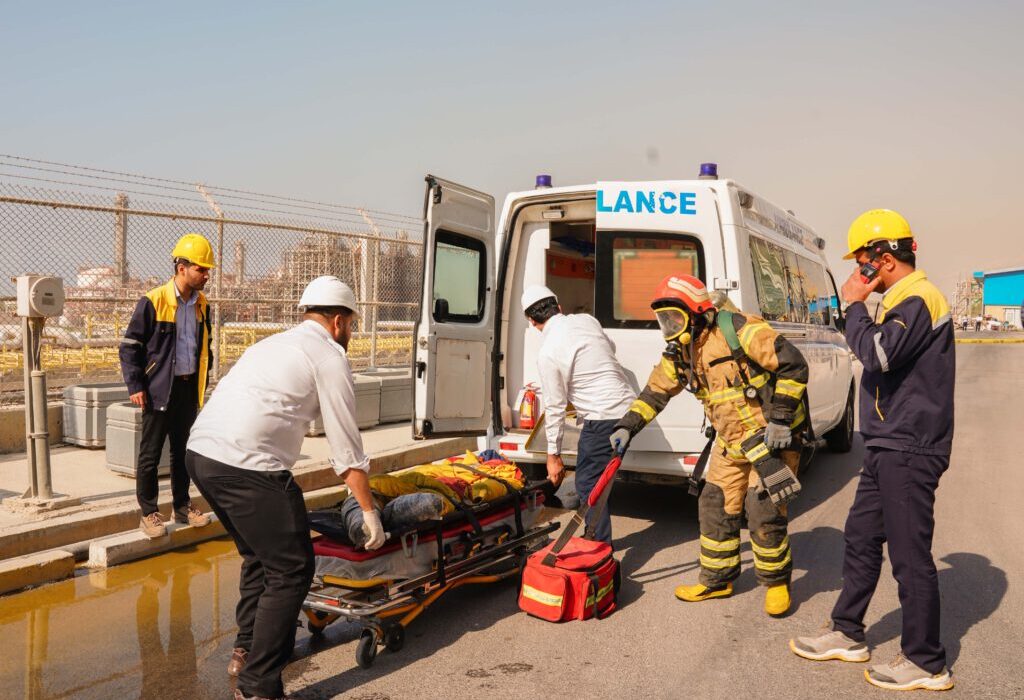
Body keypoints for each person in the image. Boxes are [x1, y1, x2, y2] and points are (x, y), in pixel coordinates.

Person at [186, 276, 385, 700]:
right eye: (350, 324)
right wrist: (368, 511)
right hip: (249, 465)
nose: (351, 333)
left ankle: (246, 649)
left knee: (260, 555)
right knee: (293, 568)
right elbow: (347, 450)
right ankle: (258, 685)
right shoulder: (329, 356)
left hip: (201, 454)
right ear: (337, 321)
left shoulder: (272, 344)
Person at [790, 209, 955, 692]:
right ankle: (847, 632)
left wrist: (854, 306)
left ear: (881, 259)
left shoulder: (919, 297)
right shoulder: (905, 297)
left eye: (861, 259)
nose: (858, 269)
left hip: (910, 445)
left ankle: (926, 662)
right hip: (887, 442)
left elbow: (878, 354)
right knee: (861, 539)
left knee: (909, 556)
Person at [611, 274, 808, 616]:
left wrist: (779, 420)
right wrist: (628, 426)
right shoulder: (681, 353)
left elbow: (794, 366)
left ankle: (776, 583)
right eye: (664, 319)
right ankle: (718, 580)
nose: (669, 326)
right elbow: (655, 392)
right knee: (715, 505)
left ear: (698, 312)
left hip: (769, 442)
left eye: (675, 317)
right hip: (731, 444)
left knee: (763, 512)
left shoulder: (741, 330)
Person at [521, 285, 635, 546]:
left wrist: (553, 456)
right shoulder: (586, 320)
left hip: (603, 417)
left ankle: (597, 543)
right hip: (630, 411)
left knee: (586, 484)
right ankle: (597, 535)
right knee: (602, 478)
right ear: (558, 307)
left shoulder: (548, 351)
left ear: (531, 321)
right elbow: (609, 348)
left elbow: (555, 408)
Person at [120, 233, 214, 538]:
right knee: (150, 453)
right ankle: (148, 513)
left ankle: (182, 507)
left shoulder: (202, 305)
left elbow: (204, 348)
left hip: (188, 388)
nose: (206, 275)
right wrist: (136, 384)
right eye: (202, 269)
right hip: (159, 388)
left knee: (182, 452)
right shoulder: (154, 300)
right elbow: (130, 346)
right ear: (182, 267)